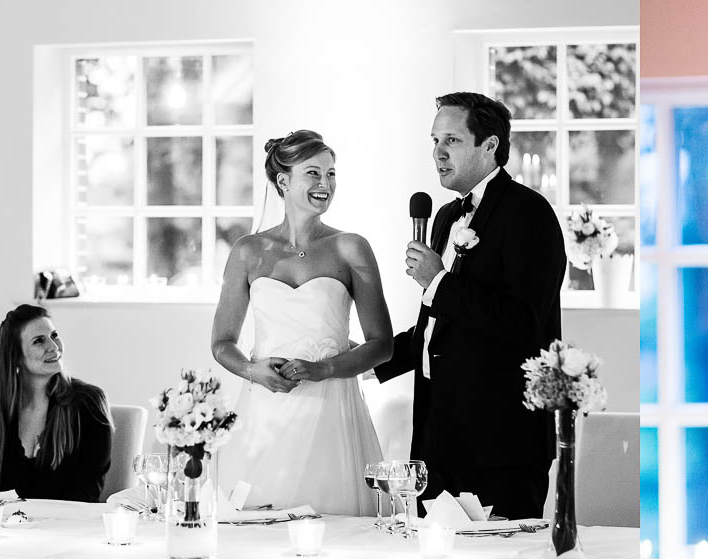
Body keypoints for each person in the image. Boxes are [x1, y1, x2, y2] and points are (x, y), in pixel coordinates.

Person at [377, 93, 565, 519]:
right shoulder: (445, 216)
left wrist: (438, 281)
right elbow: (439, 330)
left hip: (501, 442)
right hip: (438, 441)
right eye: (434, 140)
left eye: (452, 140)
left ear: (490, 146)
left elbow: (523, 323)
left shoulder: (529, 215)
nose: (438, 153)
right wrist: (369, 358)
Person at [212, 130, 391, 515]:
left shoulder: (350, 247)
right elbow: (222, 342)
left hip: (332, 411)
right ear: (283, 181)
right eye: (313, 173)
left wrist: (324, 368)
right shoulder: (248, 251)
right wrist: (250, 369)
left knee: (338, 527)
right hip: (264, 413)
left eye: (331, 174)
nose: (325, 184)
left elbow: (382, 343)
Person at [0, 304, 112, 502]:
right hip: (1, 527)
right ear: (15, 356)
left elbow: (86, 492)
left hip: (66, 528)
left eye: (54, 335)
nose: (53, 346)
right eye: (39, 341)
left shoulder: (88, 403)